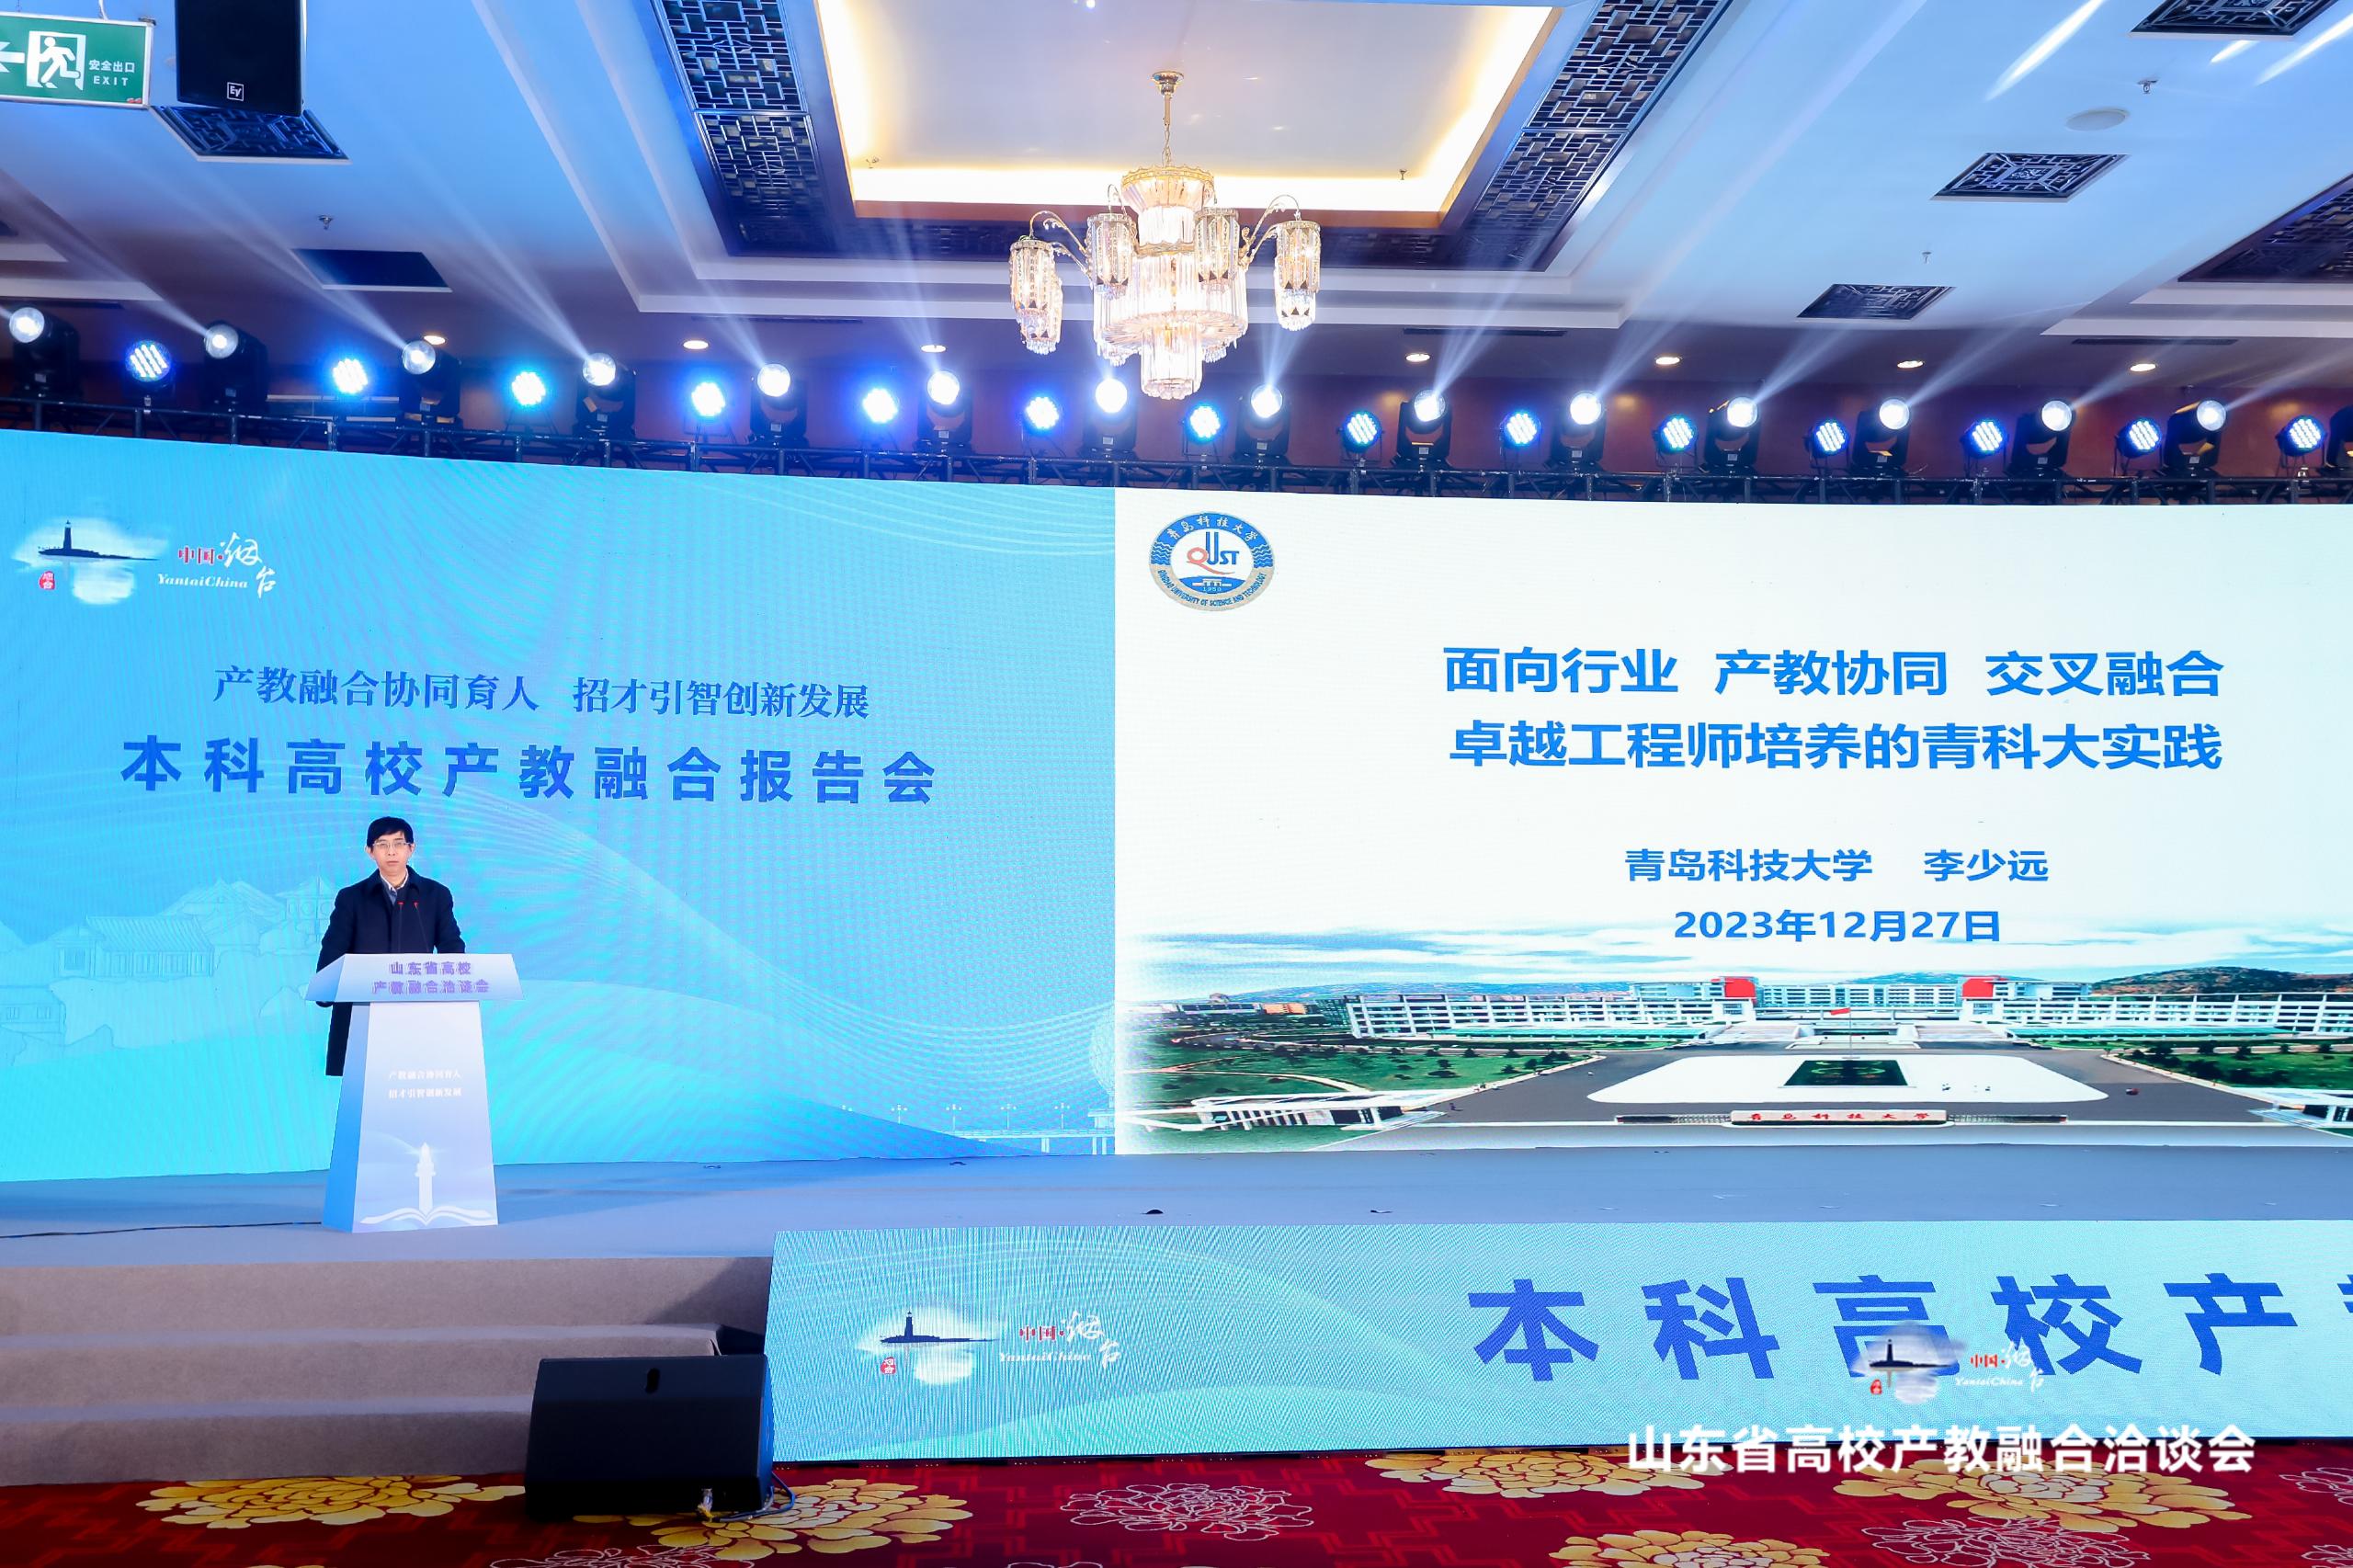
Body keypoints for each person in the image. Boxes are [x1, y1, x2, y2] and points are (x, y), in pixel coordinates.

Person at [313, 816, 466, 1075]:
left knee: (415, 1082)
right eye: (382, 844)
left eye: (398, 843)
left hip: (417, 1010)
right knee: (364, 1085)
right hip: (362, 1011)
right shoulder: (351, 898)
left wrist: (459, 987)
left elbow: (451, 944)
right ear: (369, 851)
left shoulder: (435, 895)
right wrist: (326, 989)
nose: (391, 852)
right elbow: (334, 947)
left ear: (411, 848)